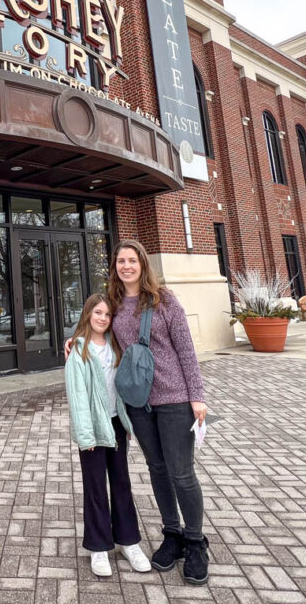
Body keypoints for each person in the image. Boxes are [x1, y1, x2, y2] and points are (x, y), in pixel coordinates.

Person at [67, 239, 211, 585]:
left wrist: (197, 396)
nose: (126, 266)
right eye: (121, 261)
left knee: (181, 472)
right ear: (115, 267)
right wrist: (75, 341)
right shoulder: (115, 304)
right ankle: (172, 535)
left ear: (142, 264)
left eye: (132, 260)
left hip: (174, 398)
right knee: (157, 469)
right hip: (138, 404)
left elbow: (186, 350)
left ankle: (195, 541)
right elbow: (99, 332)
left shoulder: (164, 300)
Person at [64, 293, 152, 577]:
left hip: (115, 425)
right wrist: (85, 436)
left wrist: (126, 424)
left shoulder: (116, 347)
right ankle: (99, 546)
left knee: (122, 483)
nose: (102, 318)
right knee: (95, 487)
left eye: (107, 314)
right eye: (97, 313)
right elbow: (77, 397)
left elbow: (122, 390)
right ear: (87, 314)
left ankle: (128, 541)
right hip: (92, 428)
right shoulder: (79, 351)